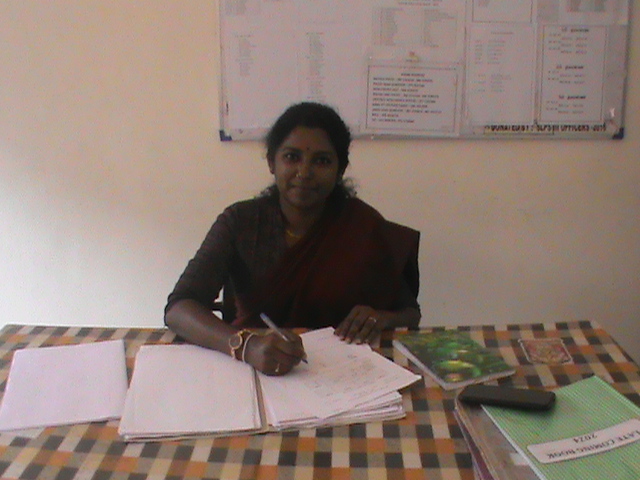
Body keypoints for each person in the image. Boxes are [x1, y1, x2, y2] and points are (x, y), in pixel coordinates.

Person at [165, 102, 420, 376]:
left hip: (336, 373)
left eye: (321, 161)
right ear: (271, 162)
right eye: (291, 157)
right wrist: (246, 346)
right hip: (251, 368)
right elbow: (179, 308)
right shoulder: (240, 222)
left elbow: (410, 313)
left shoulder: (362, 225)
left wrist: (380, 317)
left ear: (340, 169)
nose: (304, 172)